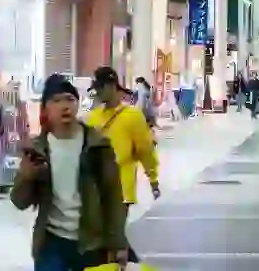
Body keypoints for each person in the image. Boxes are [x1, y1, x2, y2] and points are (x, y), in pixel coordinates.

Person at [10, 74, 127, 271]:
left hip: (91, 242)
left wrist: (118, 244)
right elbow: (19, 202)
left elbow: (113, 197)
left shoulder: (97, 146)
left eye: (70, 99)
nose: (65, 106)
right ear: (46, 108)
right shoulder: (38, 150)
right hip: (51, 243)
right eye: (56, 101)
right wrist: (26, 177)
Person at [86, 66, 161, 265]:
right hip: (96, 189)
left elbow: (145, 150)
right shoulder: (93, 118)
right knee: (107, 238)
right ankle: (130, 264)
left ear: (112, 86)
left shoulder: (132, 117)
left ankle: (130, 264)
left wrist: (153, 179)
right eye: (96, 89)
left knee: (113, 236)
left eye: (100, 88)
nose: (98, 93)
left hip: (121, 190)